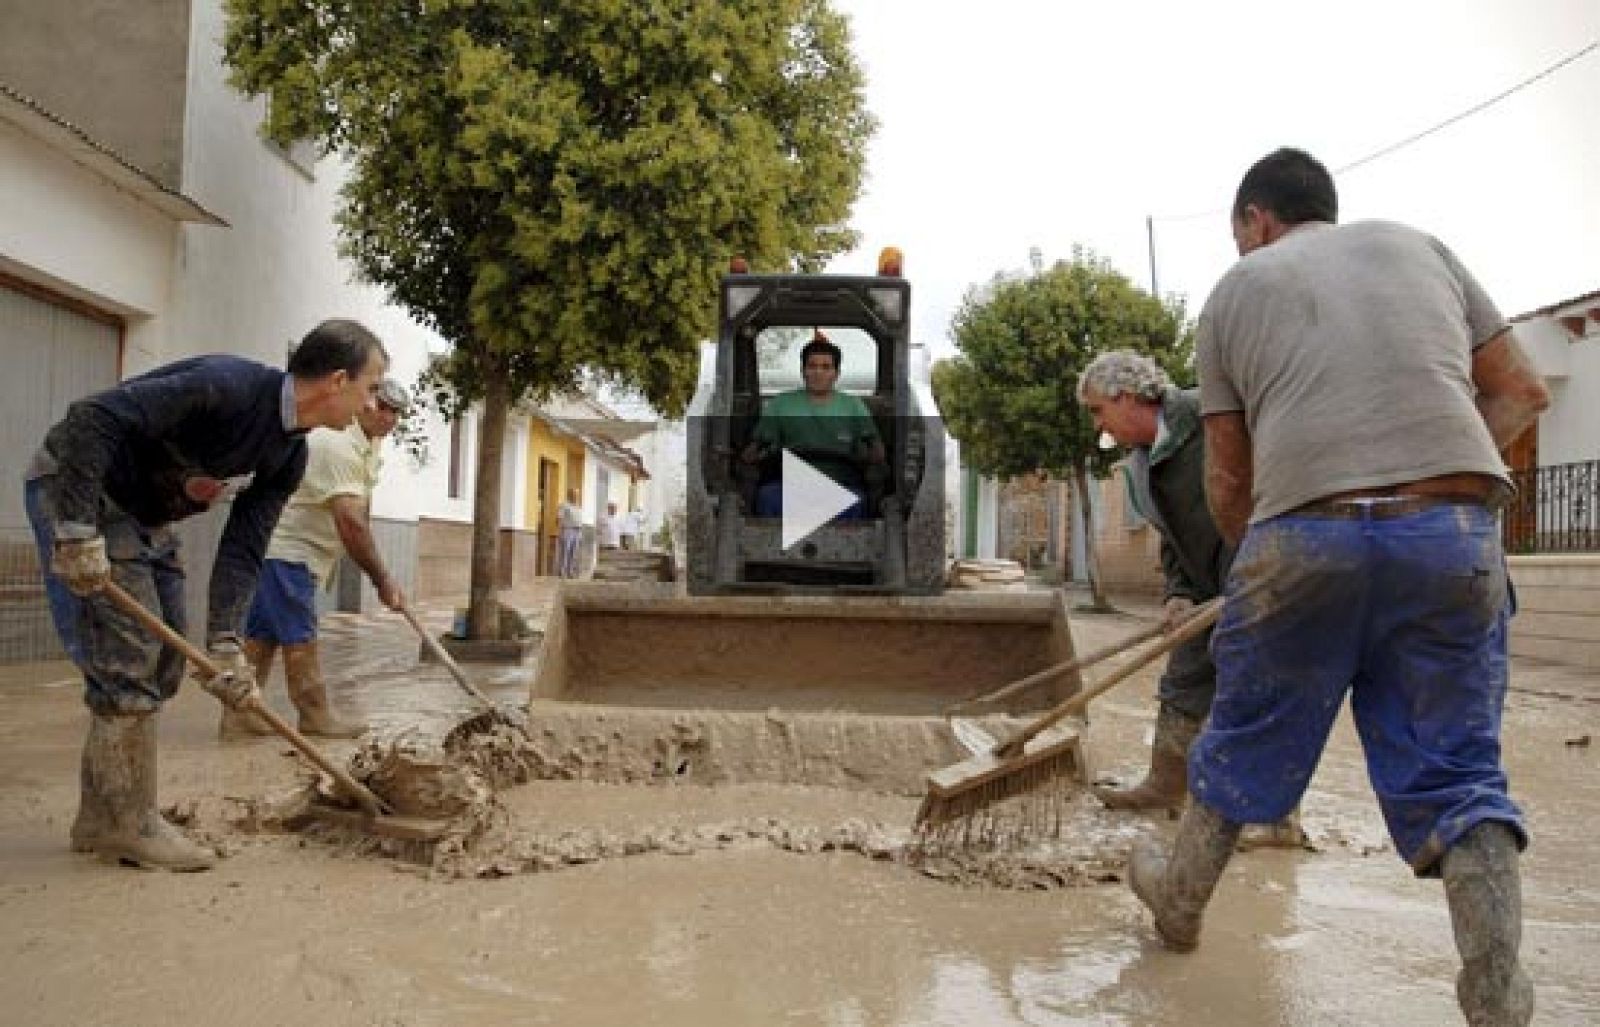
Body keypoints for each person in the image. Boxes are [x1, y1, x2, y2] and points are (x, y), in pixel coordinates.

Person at [1129, 148, 1548, 1026]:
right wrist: (1421, 476)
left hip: (1302, 531)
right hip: (1455, 533)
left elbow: (1230, 481)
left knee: (1241, 733)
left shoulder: (1234, 293)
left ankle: (1177, 903)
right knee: (1462, 771)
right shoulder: (1421, 248)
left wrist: (1264, 569)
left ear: (1255, 221)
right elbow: (1522, 390)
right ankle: (1498, 999)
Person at [24, 319, 389, 871]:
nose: (372, 402)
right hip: (81, 489)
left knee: (168, 661)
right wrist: (75, 529)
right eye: (371, 385)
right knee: (132, 656)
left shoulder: (288, 457)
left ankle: (101, 816)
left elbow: (243, 547)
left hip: (145, 515)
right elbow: (90, 419)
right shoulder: (229, 385)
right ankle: (130, 823)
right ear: (338, 380)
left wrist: (224, 643)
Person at [1077, 352, 1231, 809]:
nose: (1098, 426)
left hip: (1254, 578)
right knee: (1183, 682)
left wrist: (1248, 582)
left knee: (1254, 686)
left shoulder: (1212, 417)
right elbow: (1170, 532)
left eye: (1097, 411)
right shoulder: (1142, 462)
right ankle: (1166, 786)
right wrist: (1180, 593)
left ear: (1124, 398)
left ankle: (1274, 817)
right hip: (1205, 585)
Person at [229, 377, 411, 740]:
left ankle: (239, 714)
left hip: (291, 552)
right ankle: (315, 714)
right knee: (300, 637)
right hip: (288, 551)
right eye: (384, 407)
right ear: (365, 401)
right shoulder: (337, 445)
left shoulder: (368, 444)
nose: (389, 418)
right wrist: (382, 579)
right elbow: (351, 522)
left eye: (397, 413)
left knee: (262, 639)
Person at [740, 332, 885, 518]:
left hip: (841, 484)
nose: (818, 372)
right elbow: (757, 447)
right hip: (790, 485)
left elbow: (876, 449)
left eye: (826, 367)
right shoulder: (781, 405)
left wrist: (873, 454)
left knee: (856, 502)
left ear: (836, 373)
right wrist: (751, 454)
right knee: (767, 497)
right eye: (812, 366)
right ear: (803, 370)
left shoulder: (853, 406)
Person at [556, 489, 583, 578]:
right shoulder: (564, 505)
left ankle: (570, 571)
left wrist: (580, 532)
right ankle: (562, 571)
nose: (576, 496)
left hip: (577, 530)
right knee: (565, 551)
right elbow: (559, 518)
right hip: (568, 530)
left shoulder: (578, 506)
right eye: (574, 494)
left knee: (574, 552)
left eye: (577, 495)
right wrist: (560, 531)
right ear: (569, 495)